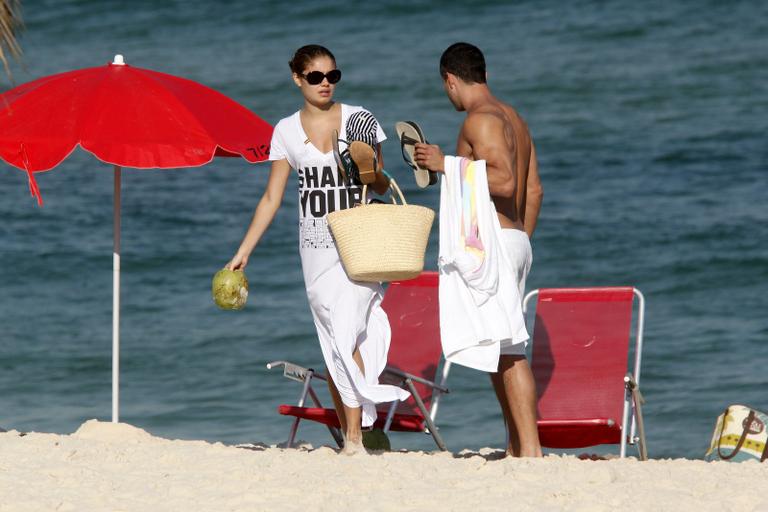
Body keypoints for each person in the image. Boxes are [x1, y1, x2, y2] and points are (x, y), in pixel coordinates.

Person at [226, 45, 409, 454]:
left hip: (359, 243)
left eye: (332, 76)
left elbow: (380, 185)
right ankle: (359, 427)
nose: (325, 83)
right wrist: (244, 251)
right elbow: (272, 198)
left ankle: (357, 436)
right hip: (315, 250)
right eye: (315, 77)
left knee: (348, 332)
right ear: (298, 79)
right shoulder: (286, 131)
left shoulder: (360, 120)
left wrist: (368, 169)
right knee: (332, 339)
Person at [414, 42, 544, 457]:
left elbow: (504, 182)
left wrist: (444, 164)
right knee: (497, 346)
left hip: (500, 244)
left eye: (445, 87)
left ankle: (533, 452)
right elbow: (534, 189)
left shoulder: (481, 121)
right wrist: (520, 239)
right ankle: (515, 447)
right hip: (514, 238)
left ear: (451, 80)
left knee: (508, 352)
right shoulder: (515, 119)